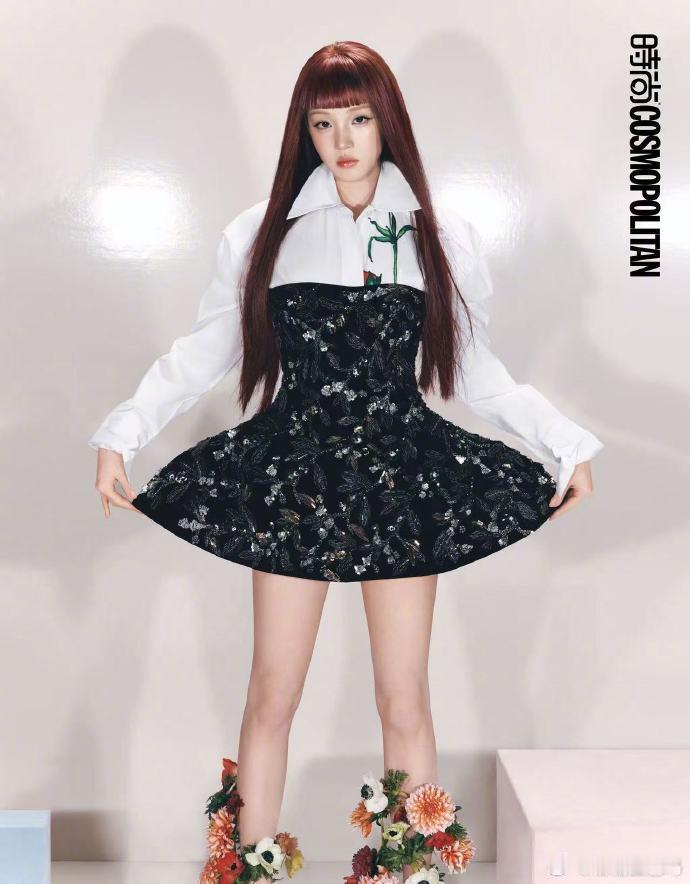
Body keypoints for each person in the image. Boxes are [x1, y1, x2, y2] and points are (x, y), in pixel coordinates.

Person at [88, 41, 603, 883]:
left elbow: (477, 372)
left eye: (359, 119)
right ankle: (246, 872)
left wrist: (567, 443)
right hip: (294, 477)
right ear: (305, 131)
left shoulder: (439, 235)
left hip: (402, 478)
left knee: (403, 696)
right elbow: (204, 352)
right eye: (324, 124)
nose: (343, 140)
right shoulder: (262, 231)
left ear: (386, 121)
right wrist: (122, 431)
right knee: (271, 692)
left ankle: (411, 872)